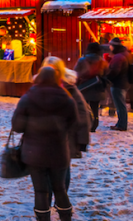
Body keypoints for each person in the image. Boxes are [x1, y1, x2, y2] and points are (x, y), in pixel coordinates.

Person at [12, 66, 77, 221]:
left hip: (34, 153)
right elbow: (73, 124)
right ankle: (66, 217)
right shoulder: (67, 99)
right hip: (59, 151)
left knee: (40, 191)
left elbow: (17, 127)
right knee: (60, 188)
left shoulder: (27, 98)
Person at [43, 57, 91, 197]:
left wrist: (81, 140)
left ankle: (61, 199)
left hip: (64, 137)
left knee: (63, 170)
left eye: (54, 70)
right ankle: (48, 199)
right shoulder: (40, 87)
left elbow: (82, 114)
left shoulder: (69, 88)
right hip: (44, 137)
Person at [74, 42, 107, 131]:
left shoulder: (82, 60)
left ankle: (84, 124)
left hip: (84, 87)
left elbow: (76, 73)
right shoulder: (103, 62)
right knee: (95, 108)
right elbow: (106, 75)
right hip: (97, 87)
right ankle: (94, 125)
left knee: (83, 108)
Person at [105, 37, 130, 131]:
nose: (110, 47)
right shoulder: (125, 54)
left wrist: (107, 77)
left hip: (118, 83)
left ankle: (122, 125)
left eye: (111, 46)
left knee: (120, 105)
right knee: (121, 105)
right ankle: (120, 123)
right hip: (124, 82)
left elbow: (114, 71)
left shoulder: (118, 57)